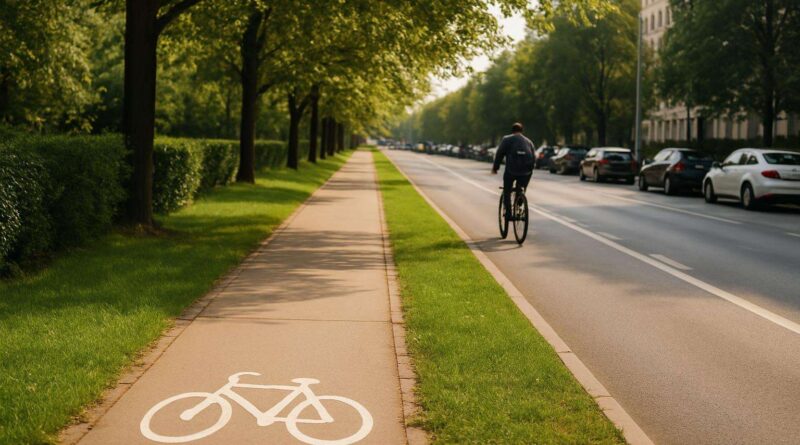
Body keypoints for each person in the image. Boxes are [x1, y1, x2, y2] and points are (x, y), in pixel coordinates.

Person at [492, 122, 535, 218]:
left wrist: (495, 168)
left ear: (512, 131)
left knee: (507, 191)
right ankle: (520, 199)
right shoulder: (529, 142)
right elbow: (534, 158)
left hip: (511, 170)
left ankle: (508, 213)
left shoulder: (507, 139)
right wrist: (530, 170)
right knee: (521, 188)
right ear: (522, 131)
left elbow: (499, 154)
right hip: (526, 171)